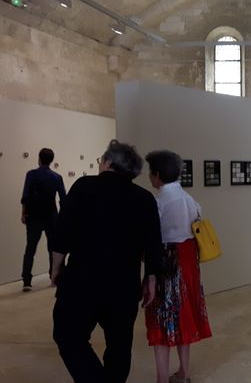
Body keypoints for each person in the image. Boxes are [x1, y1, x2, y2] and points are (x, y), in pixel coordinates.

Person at [51, 140, 163, 383]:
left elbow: (62, 233)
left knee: (68, 336)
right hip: (124, 285)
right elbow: (154, 244)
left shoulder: (84, 187)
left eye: (100, 160)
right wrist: (151, 278)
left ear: (109, 162)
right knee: (119, 346)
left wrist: (56, 267)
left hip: (82, 282)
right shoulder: (144, 198)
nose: (99, 164)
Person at [144, 150, 212, 383]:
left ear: (158, 175)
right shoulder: (189, 199)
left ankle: (162, 377)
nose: (149, 178)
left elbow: (150, 238)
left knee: (161, 318)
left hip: (166, 263)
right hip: (189, 262)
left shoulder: (158, 202)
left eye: (151, 172)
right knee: (185, 316)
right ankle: (184, 372)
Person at [20, 147, 66, 291]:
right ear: (51, 160)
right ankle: (54, 276)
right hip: (52, 217)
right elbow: (63, 199)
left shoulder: (31, 174)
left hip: (33, 216)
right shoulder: (57, 177)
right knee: (53, 248)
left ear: (39, 159)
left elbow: (26, 196)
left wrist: (23, 213)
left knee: (30, 249)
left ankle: (27, 281)